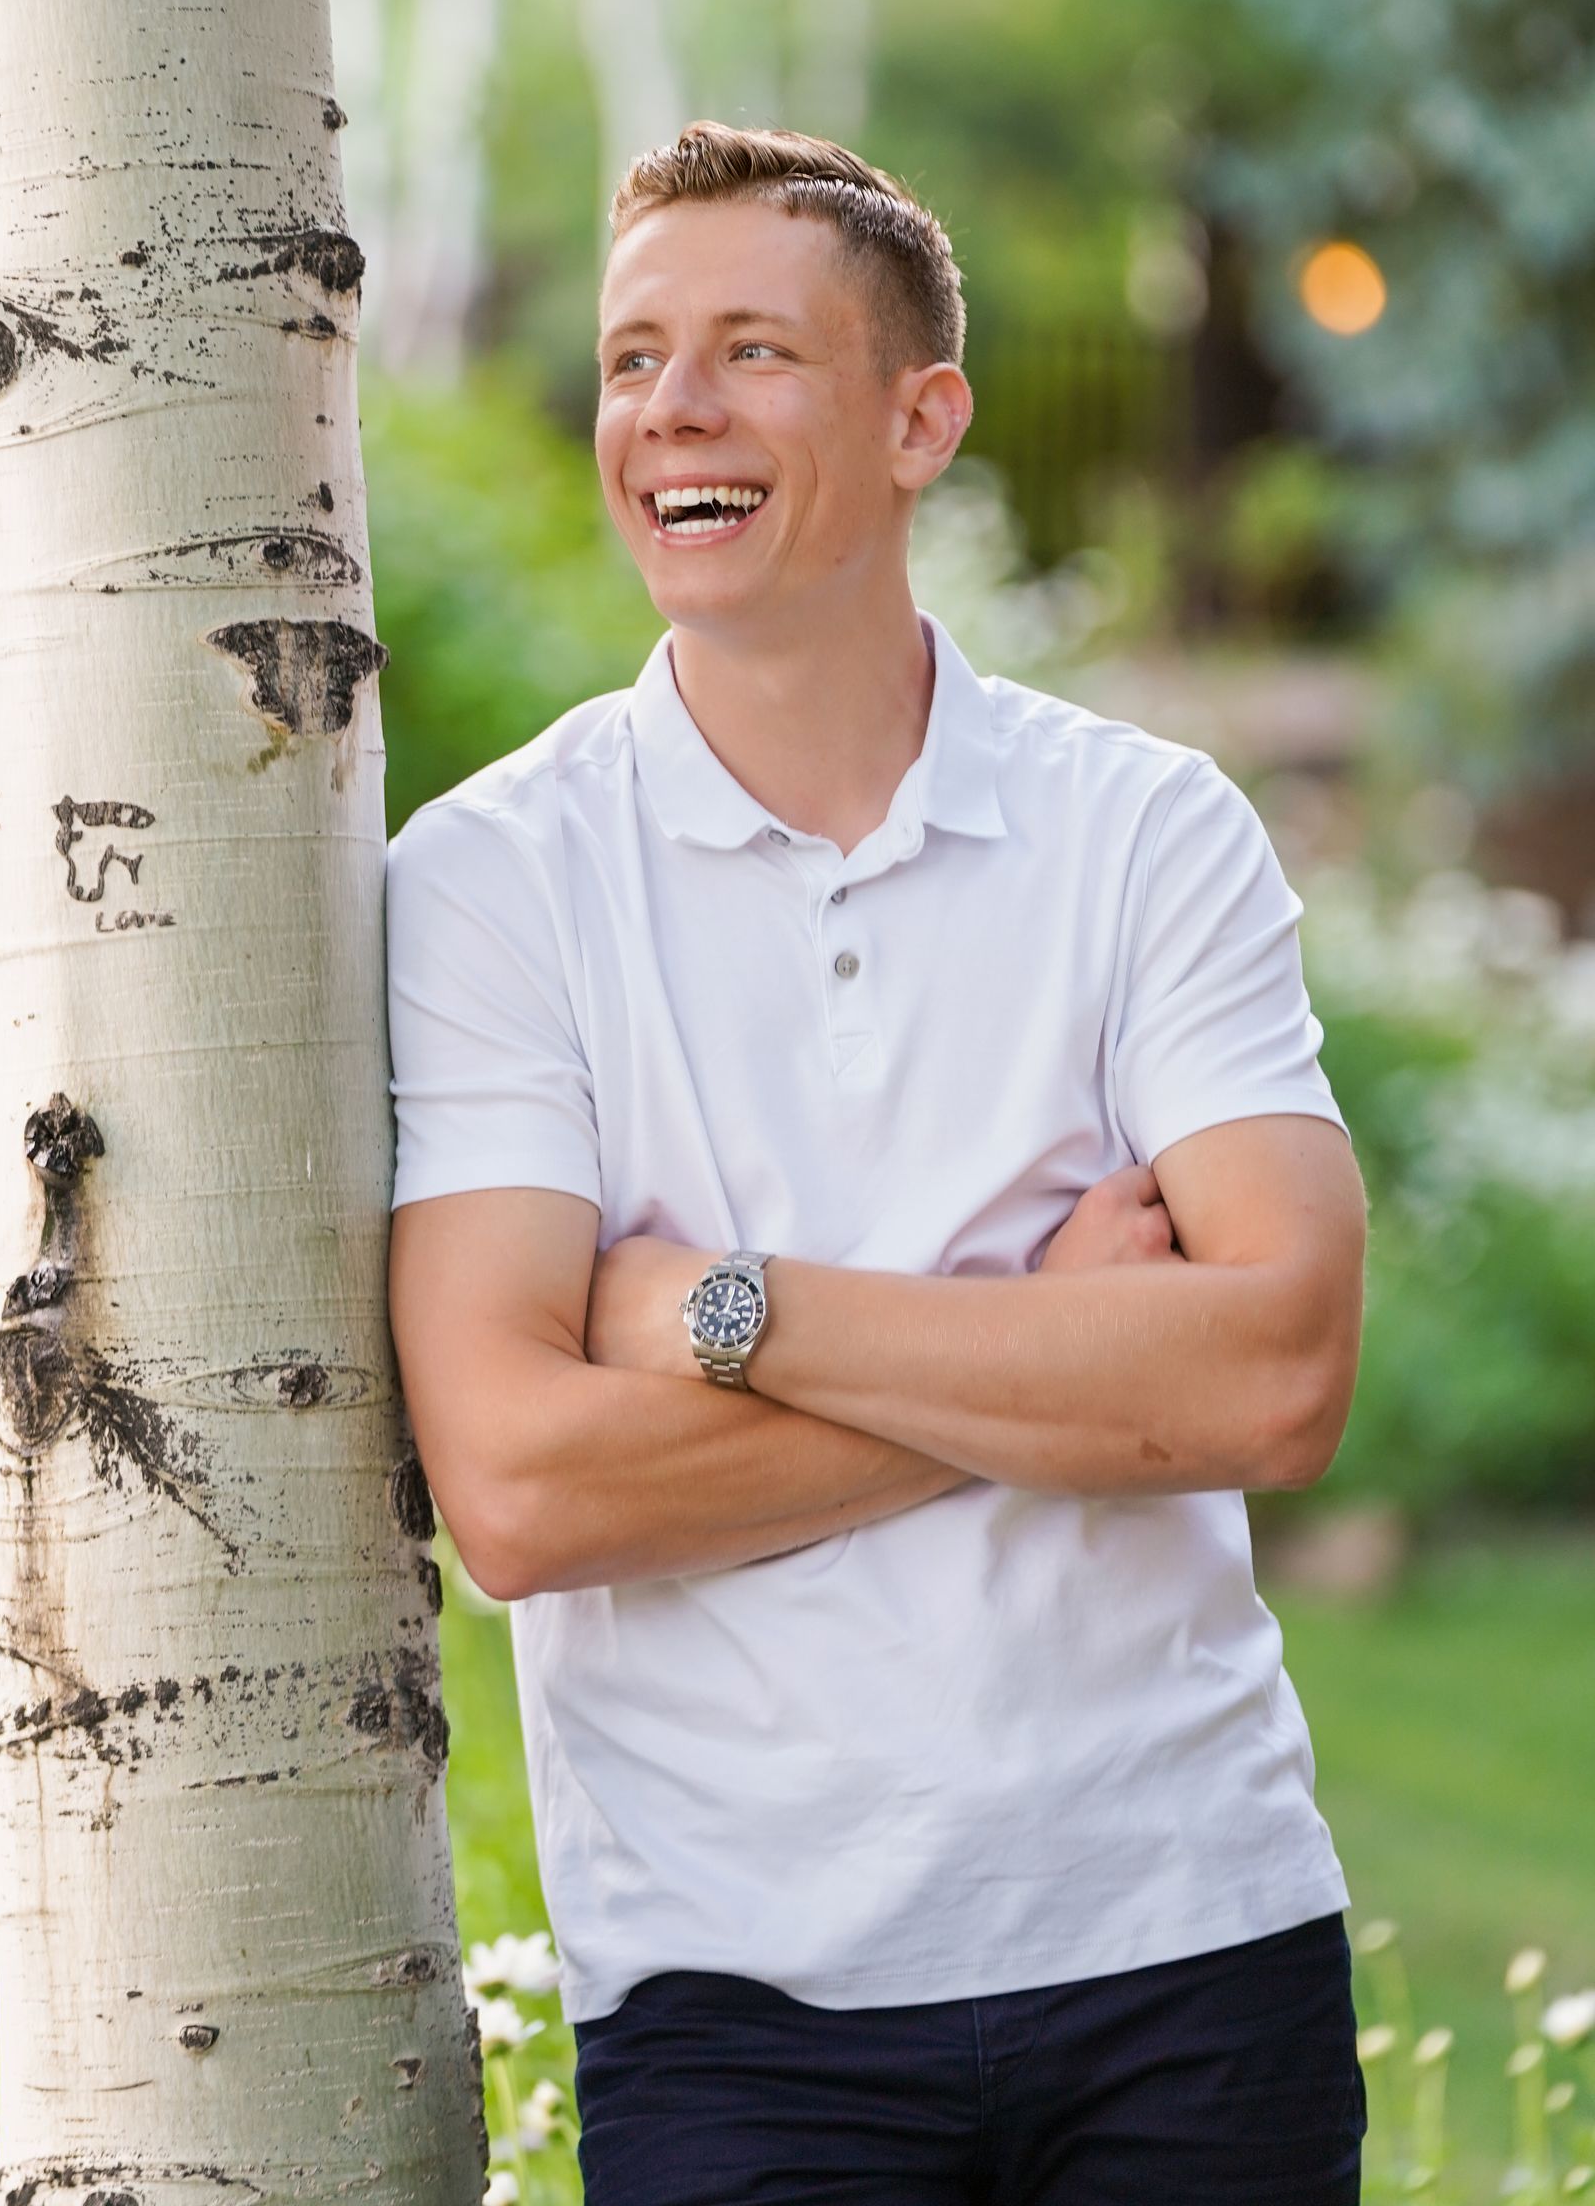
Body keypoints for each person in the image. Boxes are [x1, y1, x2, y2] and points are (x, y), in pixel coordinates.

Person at [385, 123, 1369, 2206]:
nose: (672, 409)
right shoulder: (490, 888)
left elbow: (1273, 1375)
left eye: (753, 350)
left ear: (924, 422)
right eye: (633, 358)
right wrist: (1062, 1362)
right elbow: (527, 1488)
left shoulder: (1150, 837)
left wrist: (722, 1320)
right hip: (737, 1999)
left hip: (1189, 1946)